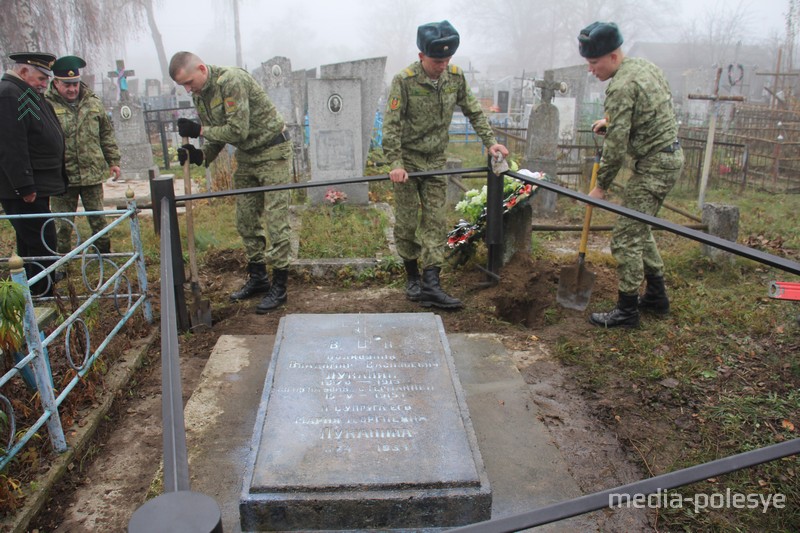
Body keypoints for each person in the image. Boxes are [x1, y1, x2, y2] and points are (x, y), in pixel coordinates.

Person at [383, 20, 509, 309]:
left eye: (447, 59)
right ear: (421, 57)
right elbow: (391, 127)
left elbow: (474, 111)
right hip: (408, 163)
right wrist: (395, 163)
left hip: (436, 162)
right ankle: (413, 276)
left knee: (436, 222)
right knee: (405, 224)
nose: (442, 65)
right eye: (437, 60)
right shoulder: (404, 81)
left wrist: (490, 142)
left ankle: (431, 283)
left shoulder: (455, 77)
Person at [168, 51, 292, 314]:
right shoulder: (201, 94)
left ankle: (280, 286)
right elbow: (217, 135)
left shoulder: (231, 81)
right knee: (245, 218)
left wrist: (198, 131)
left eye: (189, 82)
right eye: (183, 86)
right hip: (247, 155)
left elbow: (237, 130)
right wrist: (200, 155)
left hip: (273, 151)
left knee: (276, 219)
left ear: (202, 69)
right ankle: (259, 278)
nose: (188, 89)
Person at [579, 22, 685, 328]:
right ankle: (656, 296)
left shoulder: (621, 86)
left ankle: (626, 311)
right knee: (639, 227)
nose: (591, 70)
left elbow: (615, 146)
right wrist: (610, 121)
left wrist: (601, 187)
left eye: (594, 63)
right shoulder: (643, 68)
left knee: (625, 237)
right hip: (667, 156)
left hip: (655, 166)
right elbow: (644, 115)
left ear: (612, 56)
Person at [0, 52, 68, 296]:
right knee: (40, 238)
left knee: (32, 240)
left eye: (46, 79)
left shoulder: (24, 92)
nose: (44, 84)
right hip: (23, 189)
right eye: (40, 78)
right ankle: (43, 289)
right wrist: (25, 185)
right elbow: (11, 144)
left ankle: (35, 286)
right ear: (23, 71)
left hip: (36, 184)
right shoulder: (10, 94)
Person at [46, 55, 121, 255]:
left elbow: (105, 133)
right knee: (62, 225)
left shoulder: (93, 103)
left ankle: (104, 256)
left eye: (75, 84)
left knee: (98, 220)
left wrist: (113, 161)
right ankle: (61, 262)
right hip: (62, 177)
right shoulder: (46, 105)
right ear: (56, 83)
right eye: (67, 85)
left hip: (91, 173)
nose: (72, 89)